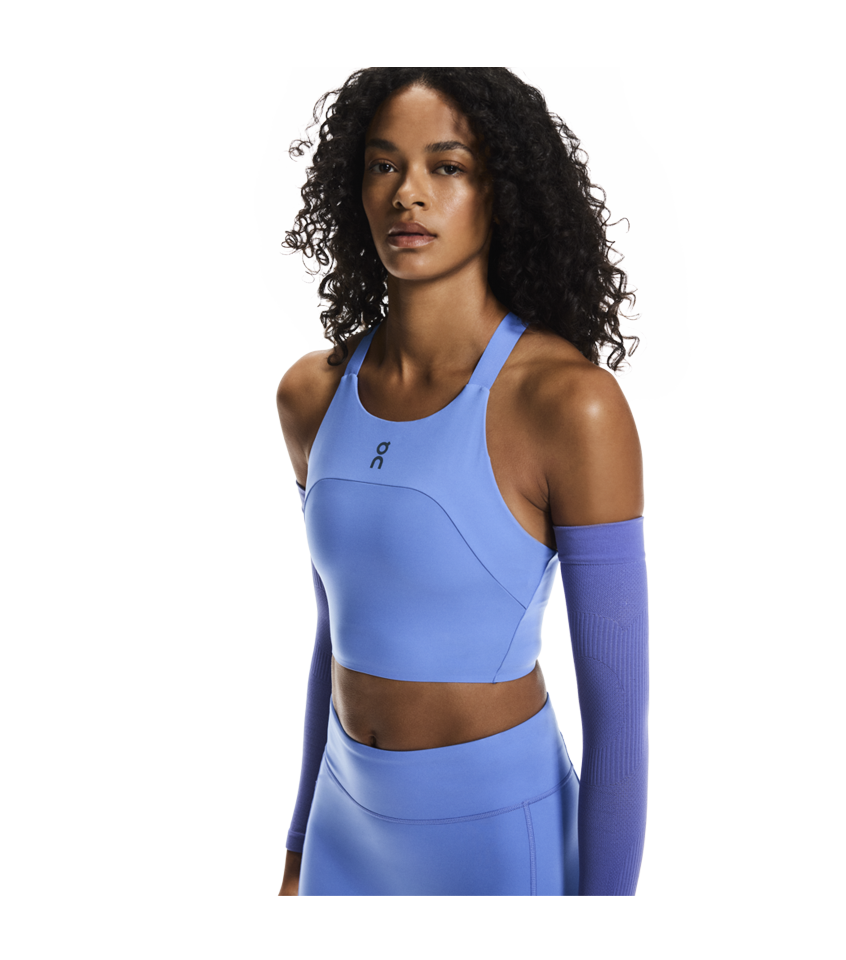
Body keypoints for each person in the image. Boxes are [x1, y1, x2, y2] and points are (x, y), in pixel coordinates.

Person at [274, 67, 649, 896]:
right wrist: (296, 850)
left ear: (501, 192)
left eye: (446, 166)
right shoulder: (312, 397)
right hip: (343, 825)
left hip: (497, 839)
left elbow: (619, 727)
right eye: (384, 165)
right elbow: (337, 633)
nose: (407, 193)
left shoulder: (570, 405)